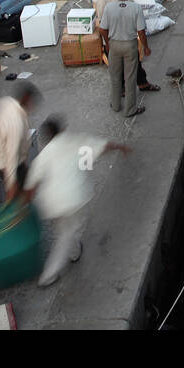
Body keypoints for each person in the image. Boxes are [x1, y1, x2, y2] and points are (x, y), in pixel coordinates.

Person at [23, 114, 131, 288]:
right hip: (72, 200)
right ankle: (48, 275)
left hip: (50, 203)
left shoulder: (45, 154)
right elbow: (102, 148)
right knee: (66, 235)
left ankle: (74, 252)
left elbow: (31, 185)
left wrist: (25, 205)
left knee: (64, 230)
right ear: (63, 129)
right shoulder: (77, 142)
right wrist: (121, 147)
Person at [94, 0, 160, 92]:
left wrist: (144, 45)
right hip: (113, 40)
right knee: (119, 69)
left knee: (136, 64)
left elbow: (135, 15)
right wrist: (108, 43)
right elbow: (103, 26)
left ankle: (142, 84)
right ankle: (124, 93)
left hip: (127, 37)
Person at [98, 0, 150, 117]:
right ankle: (130, 109)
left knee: (115, 76)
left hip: (114, 44)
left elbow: (102, 28)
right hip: (129, 45)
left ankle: (115, 105)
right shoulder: (135, 8)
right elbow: (141, 31)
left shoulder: (109, 7)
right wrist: (146, 47)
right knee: (130, 78)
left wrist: (108, 42)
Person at [0, 82, 38, 199]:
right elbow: (12, 154)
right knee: (19, 194)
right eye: (31, 102)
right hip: (7, 163)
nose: (32, 105)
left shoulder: (7, 101)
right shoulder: (15, 123)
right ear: (26, 99)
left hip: (7, 157)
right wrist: (12, 183)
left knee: (27, 185)